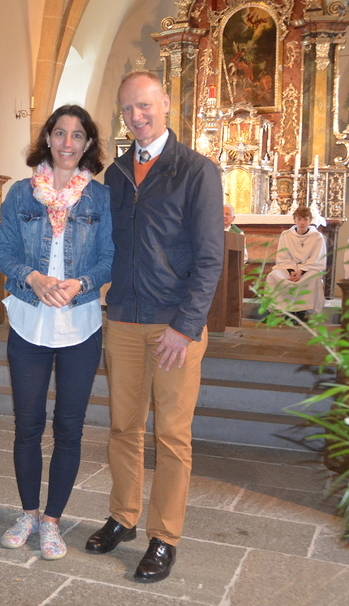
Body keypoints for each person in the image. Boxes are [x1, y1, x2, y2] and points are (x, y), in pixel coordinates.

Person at [86, 71, 223, 583]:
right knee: (123, 427)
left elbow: (209, 259)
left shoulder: (197, 170)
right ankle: (123, 516)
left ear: (165, 102)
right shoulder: (117, 174)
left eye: (144, 105)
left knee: (171, 436)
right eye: (127, 109)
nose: (136, 116)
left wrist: (185, 326)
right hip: (124, 319)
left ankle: (164, 536)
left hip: (173, 326)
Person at [0, 105, 112, 560]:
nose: (67, 143)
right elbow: (1, 251)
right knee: (27, 426)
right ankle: (27, 512)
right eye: (60, 133)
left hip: (81, 323)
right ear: (47, 138)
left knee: (69, 428)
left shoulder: (99, 198)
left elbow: (109, 257)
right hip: (30, 320)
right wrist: (33, 277)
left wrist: (82, 283)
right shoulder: (22, 194)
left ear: (88, 144)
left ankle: (52, 521)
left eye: (77, 135)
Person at [265, 205, 327, 320]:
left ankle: (301, 312)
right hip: (288, 268)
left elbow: (317, 258)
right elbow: (283, 256)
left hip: (308, 269)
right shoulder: (286, 235)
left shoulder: (317, 237)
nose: (302, 222)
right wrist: (292, 271)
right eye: (299, 219)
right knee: (273, 276)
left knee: (313, 277)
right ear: (294, 220)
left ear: (310, 221)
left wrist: (301, 271)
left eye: (305, 219)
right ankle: (278, 311)